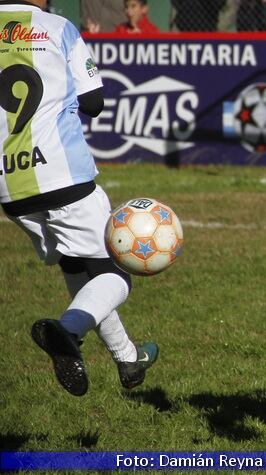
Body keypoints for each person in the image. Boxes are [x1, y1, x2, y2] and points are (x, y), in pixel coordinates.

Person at [0, 0, 158, 396]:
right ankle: (66, 332)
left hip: (8, 183)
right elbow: (94, 101)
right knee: (114, 274)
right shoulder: (56, 27)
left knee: (75, 262)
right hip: (61, 170)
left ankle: (128, 358)